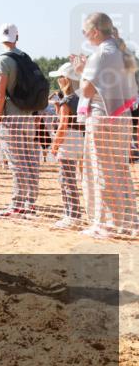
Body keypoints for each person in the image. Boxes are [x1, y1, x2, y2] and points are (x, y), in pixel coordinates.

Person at [72, 13, 138, 238]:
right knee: (119, 170)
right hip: (122, 117)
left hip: (103, 117)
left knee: (102, 172)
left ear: (95, 32)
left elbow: (87, 90)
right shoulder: (123, 51)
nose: (84, 36)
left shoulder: (101, 54)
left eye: (84, 31)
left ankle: (105, 224)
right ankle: (129, 221)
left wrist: (80, 72)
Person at [0, 23, 42, 218]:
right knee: (30, 160)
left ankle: (17, 204)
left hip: (10, 118)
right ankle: (30, 203)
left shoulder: (3, 60)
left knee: (16, 163)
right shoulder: (25, 57)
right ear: (17, 38)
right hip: (28, 116)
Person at [48, 62, 85, 229]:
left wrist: (55, 145)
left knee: (66, 180)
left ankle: (72, 215)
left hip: (68, 142)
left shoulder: (67, 101)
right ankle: (75, 214)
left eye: (60, 78)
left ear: (67, 80)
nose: (58, 81)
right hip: (81, 140)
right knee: (75, 180)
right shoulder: (82, 99)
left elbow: (63, 126)